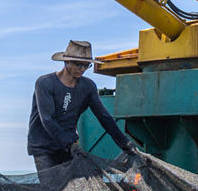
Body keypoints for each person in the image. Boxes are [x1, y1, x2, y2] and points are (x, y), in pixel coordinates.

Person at [27, 40, 137, 180]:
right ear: (66, 62)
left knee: (71, 190)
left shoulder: (87, 87)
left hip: (69, 147)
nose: (82, 69)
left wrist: (125, 143)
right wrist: (69, 144)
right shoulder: (45, 83)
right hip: (44, 146)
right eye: (78, 64)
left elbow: (104, 117)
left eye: (86, 65)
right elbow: (47, 120)